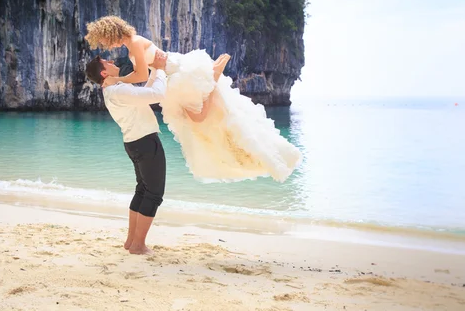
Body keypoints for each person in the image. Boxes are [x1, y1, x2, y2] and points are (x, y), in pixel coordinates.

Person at [84, 15, 303, 183]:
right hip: (171, 77)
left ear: (111, 32)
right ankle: (213, 76)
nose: (105, 45)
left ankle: (214, 75)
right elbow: (146, 74)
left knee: (198, 118)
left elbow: (141, 75)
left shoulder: (134, 42)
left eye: (104, 40)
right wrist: (122, 80)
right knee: (197, 121)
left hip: (179, 73)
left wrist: (118, 79)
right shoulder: (132, 44)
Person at [84, 51, 231, 254]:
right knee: (154, 194)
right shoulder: (117, 91)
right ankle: (138, 245)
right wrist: (161, 70)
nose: (111, 61)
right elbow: (156, 95)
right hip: (145, 142)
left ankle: (131, 241)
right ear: (103, 73)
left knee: (142, 190)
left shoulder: (115, 90)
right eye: (106, 62)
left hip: (134, 142)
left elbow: (145, 93)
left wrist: (154, 71)